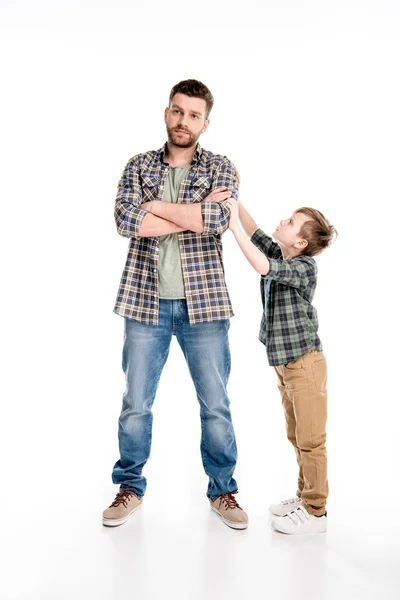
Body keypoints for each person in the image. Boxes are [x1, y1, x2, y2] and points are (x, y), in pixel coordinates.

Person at [102, 79, 248, 530]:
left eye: (193, 114)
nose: (184, 121)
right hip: (144, 304)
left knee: (216, 405)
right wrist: (189, 212)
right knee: (136, 405)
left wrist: (156, 207)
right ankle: (129, 487)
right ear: (167, 113)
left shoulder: (222, 167)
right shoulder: (138, 164)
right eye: (177, 111)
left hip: (204, 308)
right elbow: (126, 220)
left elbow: (218, 220)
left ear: (206, 122)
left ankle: (223, 491)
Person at [209, 193, 336, 534]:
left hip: (305, 363)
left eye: (290, 222)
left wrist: (232, 225)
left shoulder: (303, 267)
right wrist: (234, 200)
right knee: (297, 436)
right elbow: (255, 233)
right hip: (285, 365)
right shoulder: (282, 250)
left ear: (300, 241)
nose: (282, 222)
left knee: (311, 440)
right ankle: (304, 496)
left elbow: (262, 265)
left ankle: (316, 512)